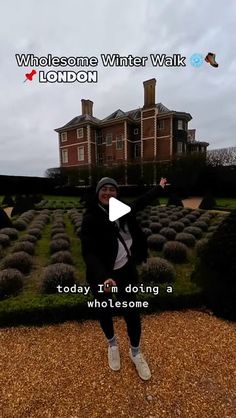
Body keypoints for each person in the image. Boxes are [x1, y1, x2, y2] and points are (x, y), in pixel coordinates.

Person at [80, 176, 168, 380]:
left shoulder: (121, 210)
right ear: (98, 193)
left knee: (132, 312)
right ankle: (112, 344)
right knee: (104, 310)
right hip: (101, 275)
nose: (108, 193)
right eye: (104, 189)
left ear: (116, 194)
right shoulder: (91, 218)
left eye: (112, 189)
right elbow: (89, 253)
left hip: (125, 271)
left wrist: (159, 188)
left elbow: (140, 202)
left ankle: (135, 351)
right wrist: (104, 277)